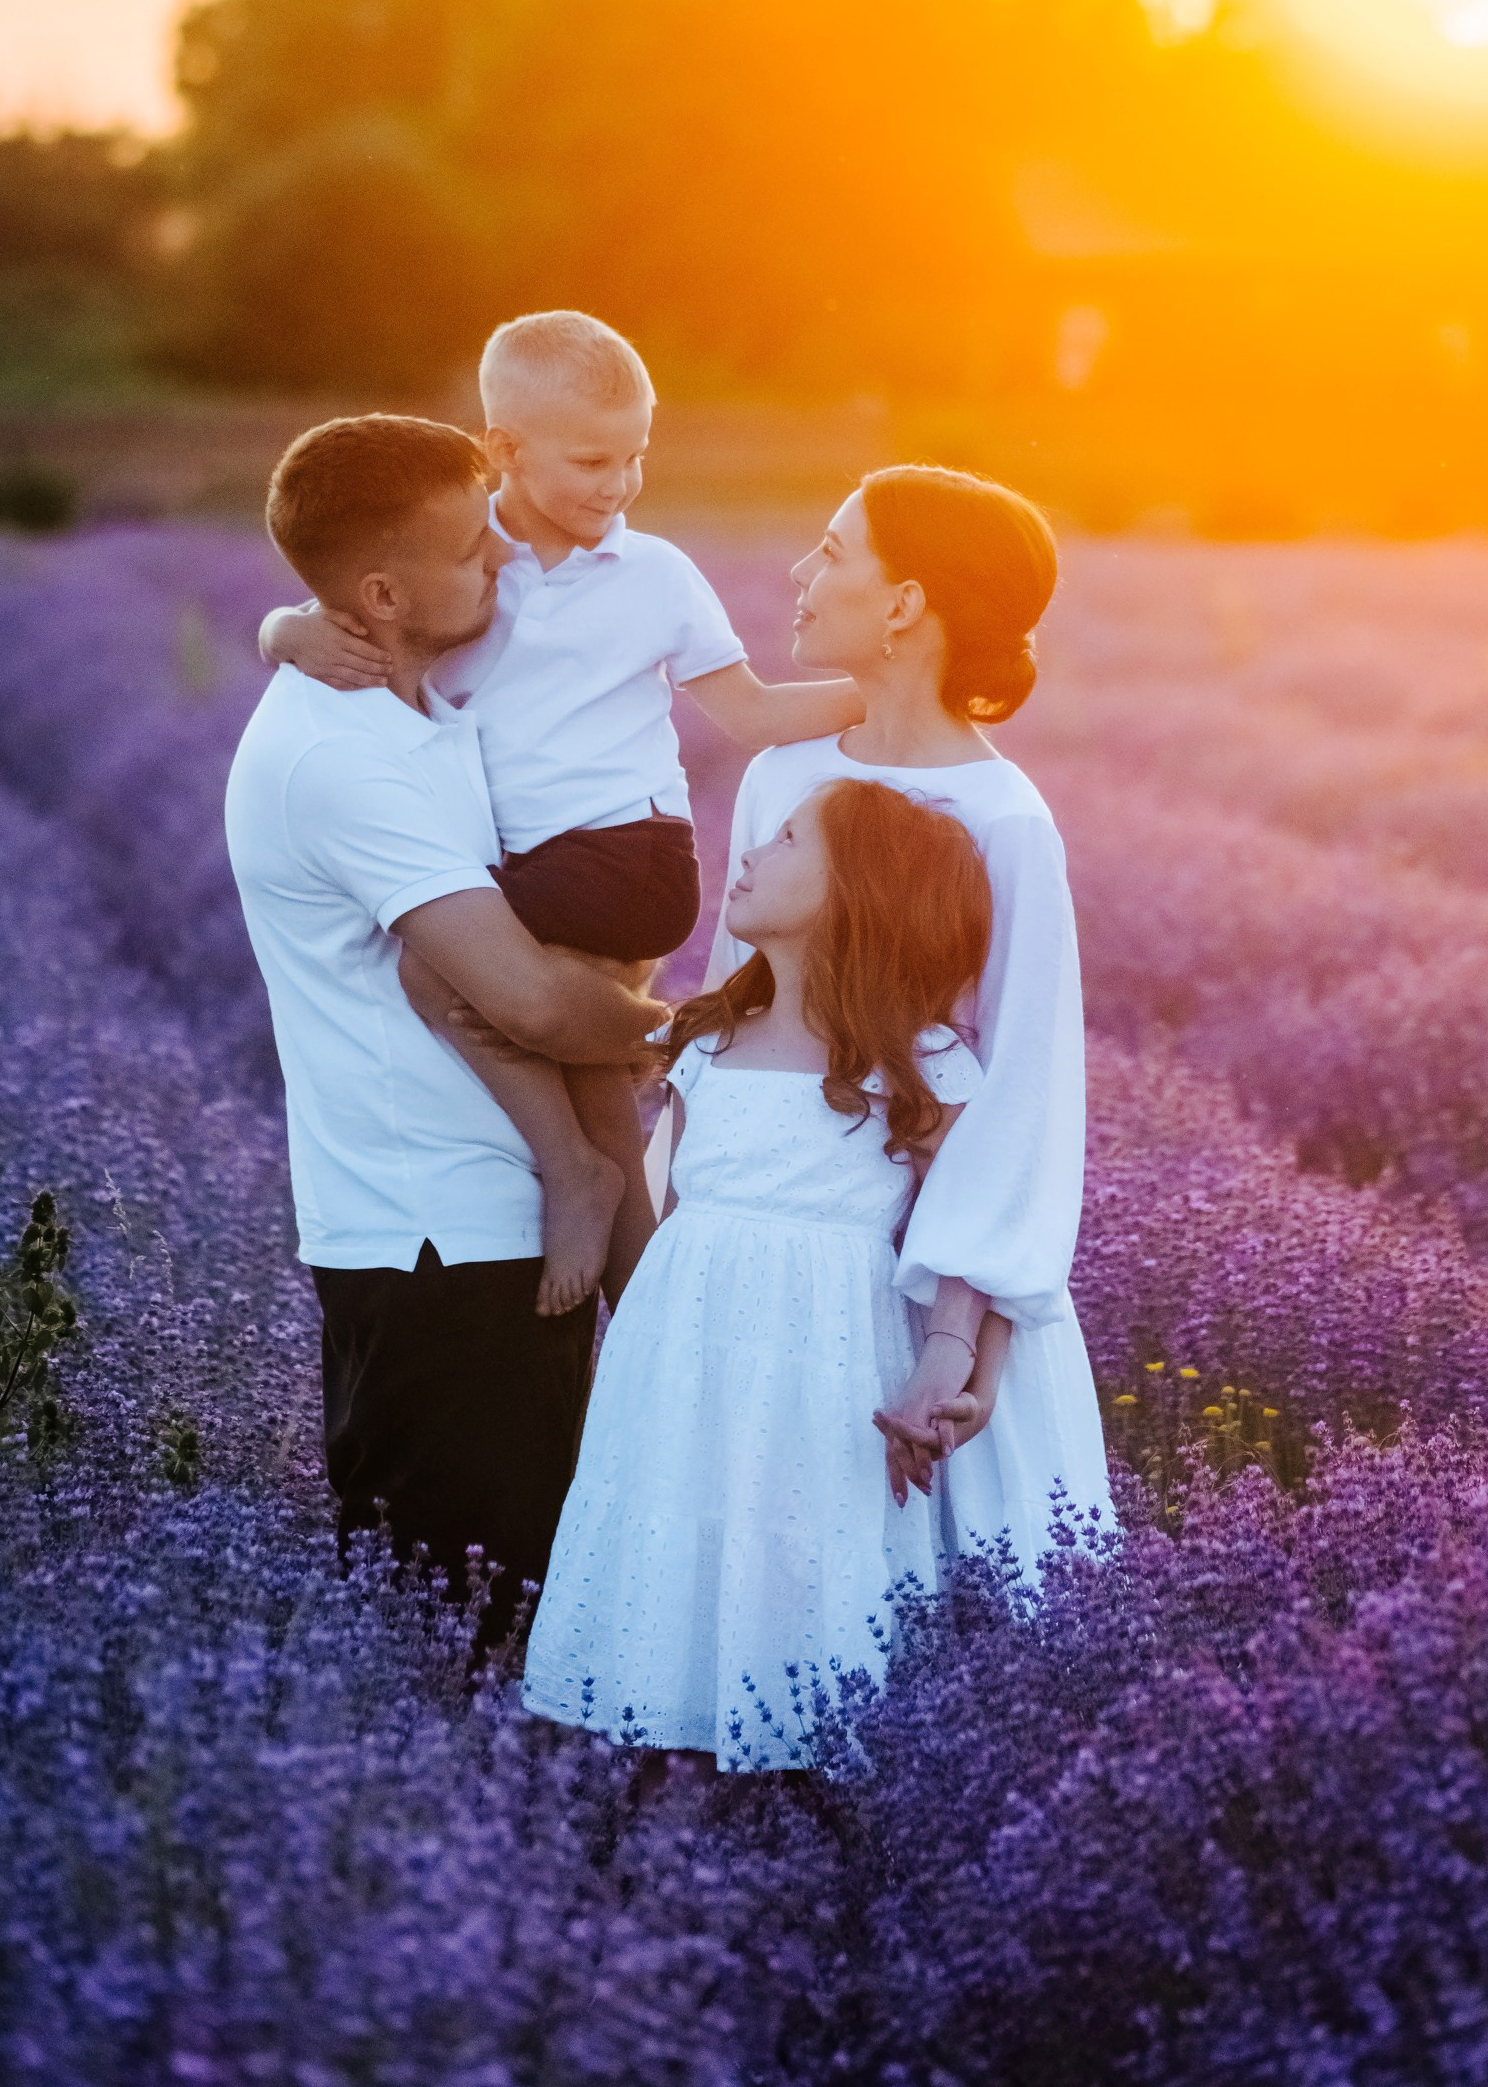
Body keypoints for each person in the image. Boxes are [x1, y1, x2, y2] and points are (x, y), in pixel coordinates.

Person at [258, 311, 862, 1320]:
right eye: (591, 460)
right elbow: (350, 606)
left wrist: (887, 690)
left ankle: (583, 1171)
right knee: (572, 1061)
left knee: (436, 969)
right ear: (503, 451)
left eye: (634, 457)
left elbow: (750, 709)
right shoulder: (463, 567)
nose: (618, 484)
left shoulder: (655, 574)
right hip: (534, 863)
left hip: (628, 855)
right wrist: (283, 631)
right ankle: (643, 1305)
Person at [224, 413, 661, 1645]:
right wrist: (689, 1032)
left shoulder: (423, 696)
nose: (504, 565)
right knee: (460, 1637)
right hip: (437, 1247)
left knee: (527, 1622)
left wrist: (283, 624)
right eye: (475, 550)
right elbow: (518, 998)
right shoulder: (341, 757)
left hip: (488, 1227)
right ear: (380, 591)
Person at [521, 777, 998, 1770]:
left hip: (823, 1363)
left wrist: (943, 1362)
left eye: (786, 840)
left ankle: (798, 1787)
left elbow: (965, 1239)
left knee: (801, 1540)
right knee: (676, 1521)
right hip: (685, 1354)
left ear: (859, 895)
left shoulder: (919, 1066)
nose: (750, 851)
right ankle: (662, 1760)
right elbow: (683, 1212)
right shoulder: (705, 1043)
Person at [702, 464, 1112, 1568]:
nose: (799, 571)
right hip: (763, 1277)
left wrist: (953, 1349)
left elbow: (1019, 1091)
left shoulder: (1003, 820)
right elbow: (730, 1019)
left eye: (832, 551)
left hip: (927, 1289)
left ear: (904, 604)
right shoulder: (780, 775)